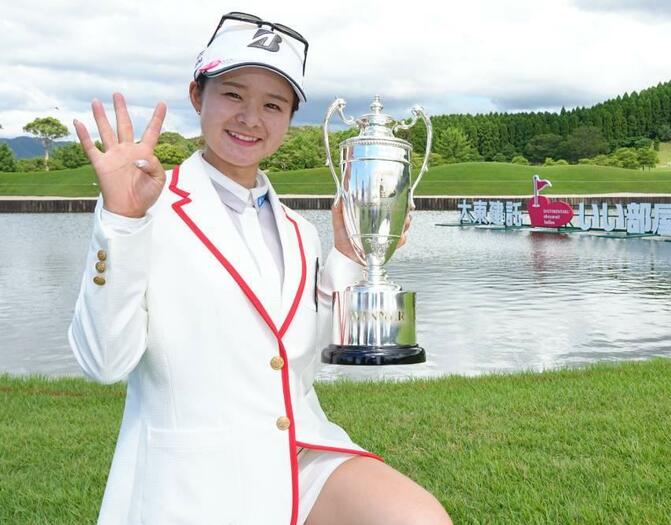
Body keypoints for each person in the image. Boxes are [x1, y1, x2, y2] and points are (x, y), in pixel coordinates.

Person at [68, 11, 452, 525]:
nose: (251, 117)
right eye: (233, 94)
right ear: (196, 96)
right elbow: (103, 362)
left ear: (291, 120)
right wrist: (120, 222)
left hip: (297, 448)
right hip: (193, 475)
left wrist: (346, 257)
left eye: (273, 104)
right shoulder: (143, 206)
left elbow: (296, 365)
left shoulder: (297, 228)